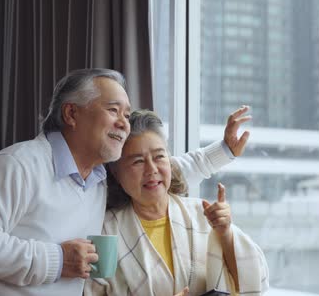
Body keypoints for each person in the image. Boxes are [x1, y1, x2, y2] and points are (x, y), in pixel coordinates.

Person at [0, 68, 132, 295]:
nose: (124, 124)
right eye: (113, 110)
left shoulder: (98, 182)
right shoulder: (18, 164)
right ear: (71, 114)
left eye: (127, 116)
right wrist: (57, 260)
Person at [84, 110, 269, 296]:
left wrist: (226, 234)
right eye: (138, 162)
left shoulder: (202, 214)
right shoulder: (105, 232)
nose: (152, 170)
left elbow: (254, 279)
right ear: (116, 173)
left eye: (159, 157)